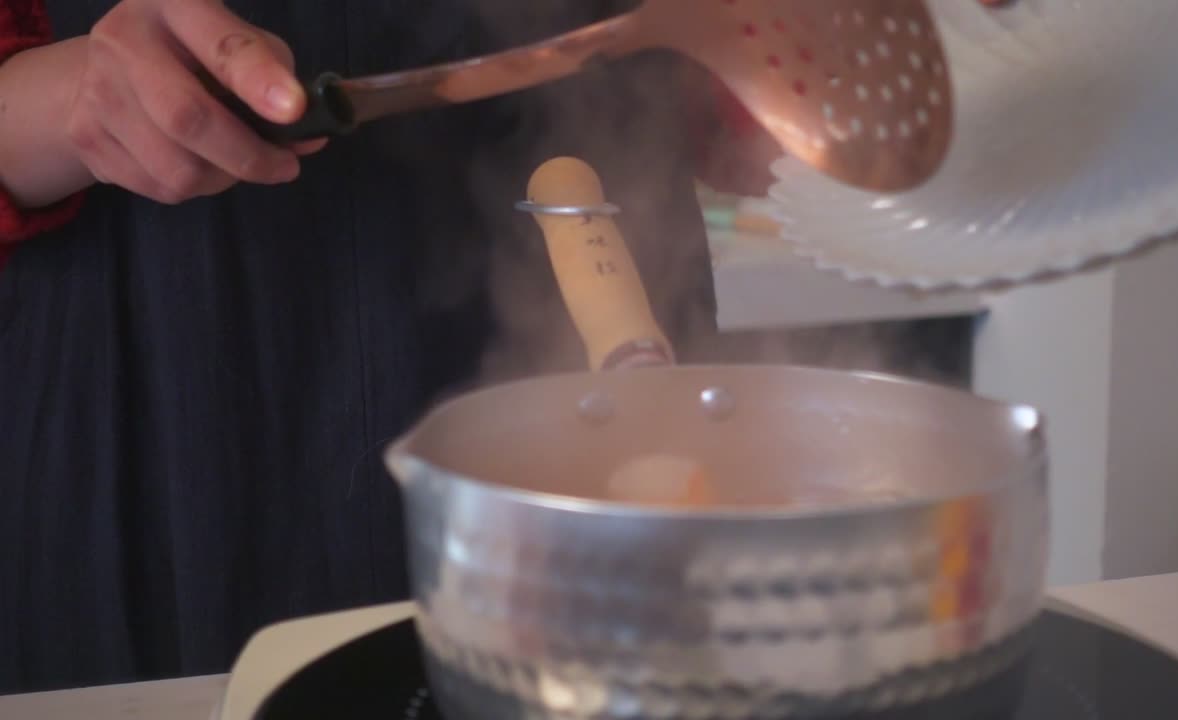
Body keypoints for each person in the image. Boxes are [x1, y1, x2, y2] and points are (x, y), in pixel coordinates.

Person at [0, 0, 716, 693]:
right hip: (154, 352)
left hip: (591, 251)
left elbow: (727, 99)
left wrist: (756, 79)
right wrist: (66, 100)